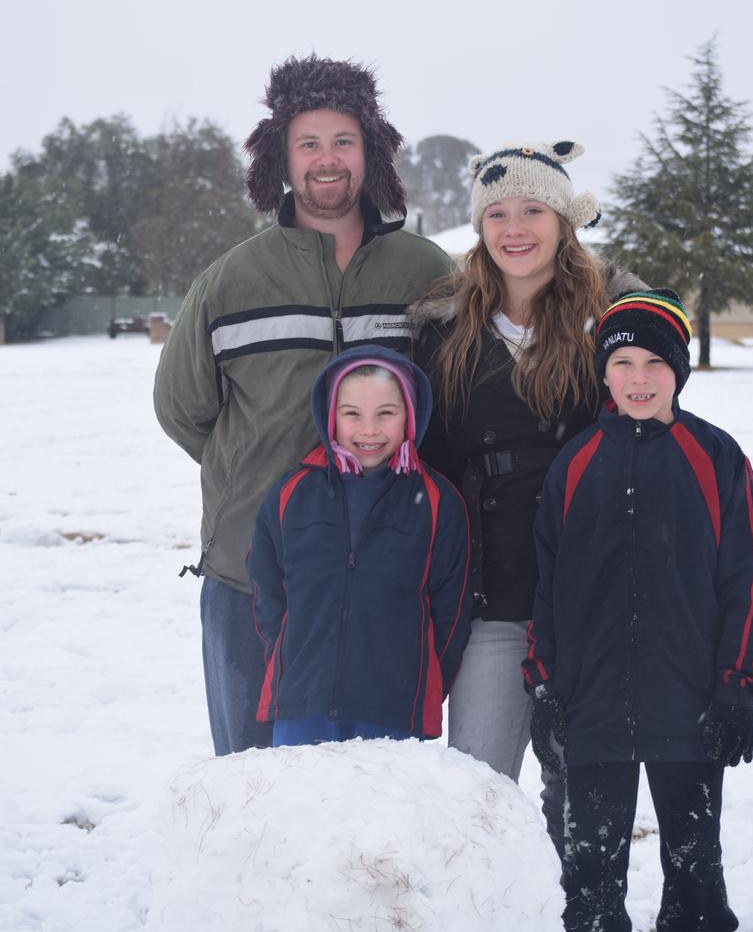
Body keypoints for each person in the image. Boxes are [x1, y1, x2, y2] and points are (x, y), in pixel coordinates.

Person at [153, 55, 451, 756]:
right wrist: (255, 473)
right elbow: (181, 407)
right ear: (280, 158)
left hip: (387, 573)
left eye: (344, 141)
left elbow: (462, 395)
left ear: (370, 152)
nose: (326, 160)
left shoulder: (428, 273)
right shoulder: (233, 278)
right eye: (308, 143)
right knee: (254, 790)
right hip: (251, 574)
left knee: (374, 796)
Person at [524, 290, 753, 932]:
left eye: (655, 362)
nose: (638, 377)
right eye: (622, 361)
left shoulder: (716, 458)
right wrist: (544, 684)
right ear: (602, 372)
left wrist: (736, 689)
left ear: (679, 370)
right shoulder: (573, 464)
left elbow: (749, 582)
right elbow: (546, 587)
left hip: (690, 703)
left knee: (694, 855)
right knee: (590, 858)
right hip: (590, 700)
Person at [410, 139, 644, 850]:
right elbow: (429, 462)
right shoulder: (445, 332)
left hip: (589, 600)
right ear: (480, 228)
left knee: (586, 799)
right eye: (498, 213)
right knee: (477, 792)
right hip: (494, 600)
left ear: (563, 221)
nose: (516, 228)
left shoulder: (613, 323)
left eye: (534, 210)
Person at [246, 345, 472, 745]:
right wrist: (289, 658)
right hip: (303, 704)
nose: (369, 431)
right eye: (352, 414)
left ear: (410, 415)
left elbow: (450, 615)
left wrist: (420, 680)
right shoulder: (292, 494)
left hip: (394, 711)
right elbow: (268, 591)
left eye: (386, 413)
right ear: (330, 415)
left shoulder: (439, 503)